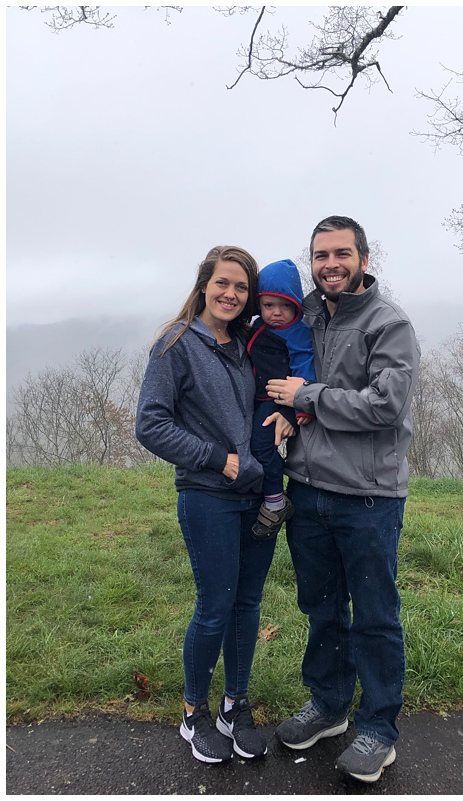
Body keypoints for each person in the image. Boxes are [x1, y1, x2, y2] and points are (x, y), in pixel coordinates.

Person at [265, 215, 420, 783]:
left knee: (375, 617)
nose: (330, 263)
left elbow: (386, 406)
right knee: (321, 608)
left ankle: (379, 728)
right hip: (308, 490)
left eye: (340, 253)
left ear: (363, 257)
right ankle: (329, 707)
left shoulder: (389, 323)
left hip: (368, 497)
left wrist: (308, 395)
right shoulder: (302, 314)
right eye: (320, 254)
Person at [135, 245, 293, 764]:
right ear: (204, 284)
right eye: (222, 283)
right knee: (215, 606)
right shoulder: (176, 343)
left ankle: (234, 705)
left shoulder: (246, 343)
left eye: (240, 287)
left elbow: (265, 400)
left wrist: (290, 414)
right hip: (207, 495)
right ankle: (194, 714)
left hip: (256, 497)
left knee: (247, 605)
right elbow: (151, 425)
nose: (230, 294)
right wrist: (217, 459)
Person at [245, 258, 316, 539]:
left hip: (280, 398)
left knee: (261, 444)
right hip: (259, 398)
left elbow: (304, 365)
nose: (277, 313)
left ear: (297, 305)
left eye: (285, 305)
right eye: (269, 305)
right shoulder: (257, 326)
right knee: (255, 444)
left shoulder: (297, 331)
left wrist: (300, 406)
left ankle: (276, 500)